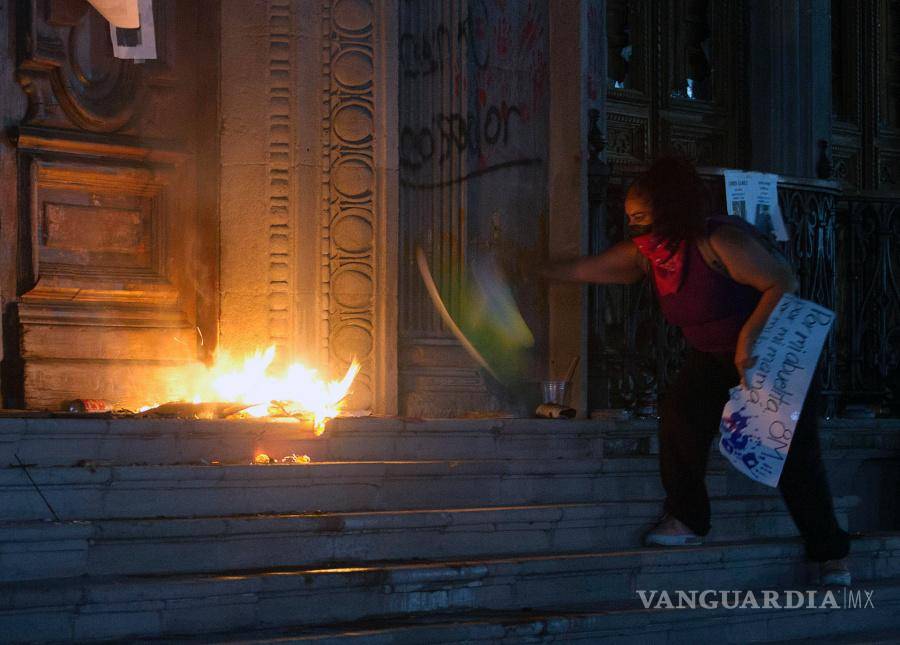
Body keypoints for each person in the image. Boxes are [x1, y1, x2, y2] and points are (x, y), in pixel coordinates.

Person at [545, 156, 852, 586]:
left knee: (793, 455)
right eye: (629, 219)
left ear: (668, 213)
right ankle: (687, 518)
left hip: (768, 356)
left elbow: (782, 281)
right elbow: (589, 268)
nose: (634, 228)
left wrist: (748, 339)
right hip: (709, 357)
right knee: (680, 417)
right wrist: (539, 271)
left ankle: (830, 553)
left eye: (641, 218)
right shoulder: (650, 255)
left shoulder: (718, 241)